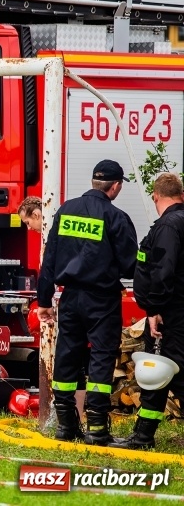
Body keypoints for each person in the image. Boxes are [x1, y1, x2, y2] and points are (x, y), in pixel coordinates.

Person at [37, 159, 137, 445]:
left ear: (95, 182)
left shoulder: (66, 211)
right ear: (115, 186)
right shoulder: (116, 217)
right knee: (102, 358)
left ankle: (66, 426)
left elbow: (50, 260)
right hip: (102, 299)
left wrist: (44, 300)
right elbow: (130, 266)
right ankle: (96, 428)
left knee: (67, 356)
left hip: (69, 298)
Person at [111, 173, 184, 449]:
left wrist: (154, 308)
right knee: (163, 373)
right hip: (173, 311)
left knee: (165, 372)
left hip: (170, 314)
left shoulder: (168, 226)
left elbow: (163, 272)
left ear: (155, 196)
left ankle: (142, 437)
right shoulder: (176, 223)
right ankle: (143, 436)